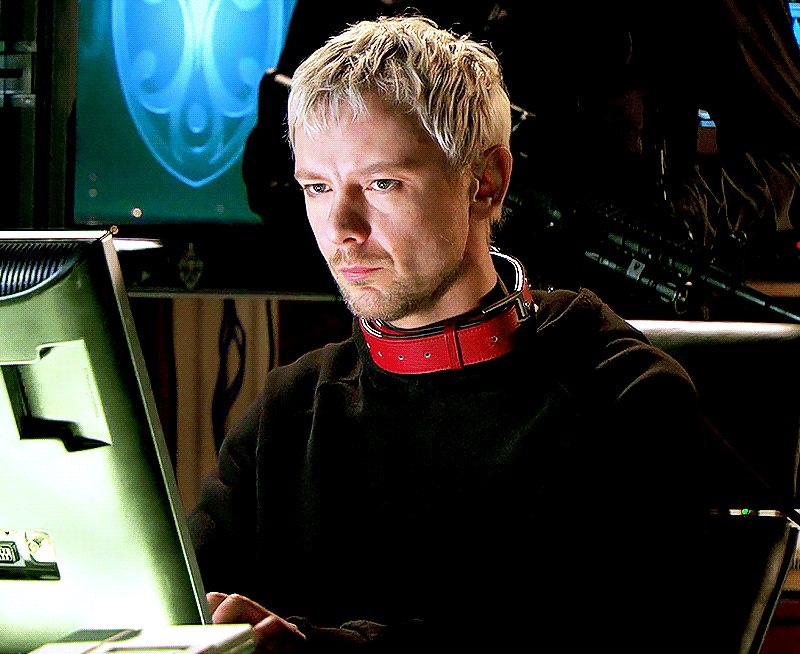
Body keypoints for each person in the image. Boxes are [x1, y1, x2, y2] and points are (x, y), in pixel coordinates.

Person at [190, 15, 703, 653]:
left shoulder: (622, 400)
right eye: (317, 187)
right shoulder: (288, 414)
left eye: (382, 183)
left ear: (486, 183)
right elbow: (178, 612)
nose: (341, 228)